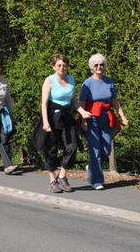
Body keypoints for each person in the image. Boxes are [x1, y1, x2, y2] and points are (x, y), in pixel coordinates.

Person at [79, 53, 129, 190]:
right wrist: (83, 120)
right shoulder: (87, 83)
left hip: (106, 118)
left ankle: (92, 166)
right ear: (92, 67)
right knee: (95, 149)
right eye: (96, 65)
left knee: (106, 148)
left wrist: (122, 116)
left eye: (101, 64)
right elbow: (81, 103)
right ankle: (97, 181)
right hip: (91, 118)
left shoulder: (109, 82)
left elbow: (114, 101)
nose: (99, 67)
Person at [39, 54, 87, 193]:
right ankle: (52, 180)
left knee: (72, 147)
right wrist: (45, 122)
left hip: (67, 116)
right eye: (59, 65)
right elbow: (44, 103)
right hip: (52, 117)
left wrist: (82, 112)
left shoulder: (71, 79)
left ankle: (62, 176)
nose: (62, 67)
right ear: (54, 66)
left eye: (64, 65)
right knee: (51, 149)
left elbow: (73, 101)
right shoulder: (49, 80)